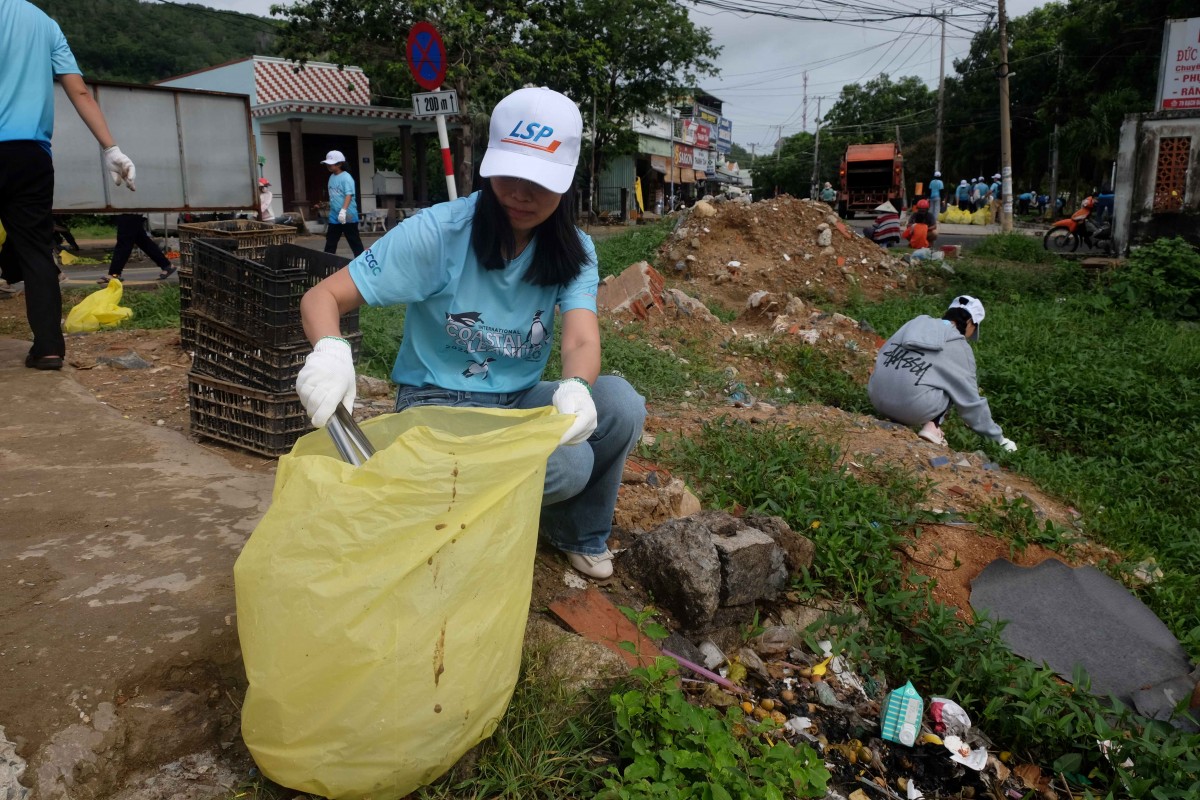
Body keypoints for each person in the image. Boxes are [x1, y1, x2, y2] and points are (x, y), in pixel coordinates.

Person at [295, 87, 647, 581]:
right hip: (437, 404)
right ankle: (454, 524)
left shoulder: (574, 249)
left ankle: (576, 534)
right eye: (510, 176)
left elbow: (581, 338)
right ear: (488, 163)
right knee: (568, 467)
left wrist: (576, 388)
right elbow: (323, 297)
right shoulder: (441, 233)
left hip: (516, 397)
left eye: (540, 183)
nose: (522, 195)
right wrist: (331, 351)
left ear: (566, 181)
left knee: (621, 404)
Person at [0, 0, 136, 370]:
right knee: (34, 250)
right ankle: (48, 349)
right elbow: (79, 92)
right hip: (30, 154)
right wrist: (111, 148)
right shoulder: (44, 24)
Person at [868, 295, 1016, 452]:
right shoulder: (960, 347)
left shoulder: (916, 323)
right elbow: (971, 403)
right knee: (954, 385)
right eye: (974, 328)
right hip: (911, 409)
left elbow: (884, 353)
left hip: (875, 397)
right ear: (970, 323)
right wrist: (999, 439)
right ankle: (932, 427)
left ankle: (896, 412)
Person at [97, 214, 175, 283]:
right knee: (141, 239)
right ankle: (166, 265)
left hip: (129, 208)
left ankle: (114, 273)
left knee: (124, 239)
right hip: (128, 207)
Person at [321, 150, 364, 257]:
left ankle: (361, 263)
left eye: (331, 164)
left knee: (354, 240)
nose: (329, 166)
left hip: (347, 214)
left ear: (339, 164)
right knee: (330, 241)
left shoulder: (346, 177)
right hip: (334, 215)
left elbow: (349, 195)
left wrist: (343, 211)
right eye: (328, 164)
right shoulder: (331, 177)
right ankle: (326, 264)